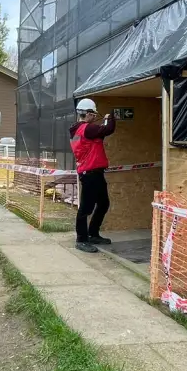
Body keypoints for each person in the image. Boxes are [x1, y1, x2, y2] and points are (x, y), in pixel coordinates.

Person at [69, 98, 116, 254]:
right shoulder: (86, 129)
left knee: (103, 204)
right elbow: (108, 129)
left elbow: (98, 136)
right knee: (85, 208)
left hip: (94, 173)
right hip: (90, 174)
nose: (95, 117)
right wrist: (111, 117)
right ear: (87, 114)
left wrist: (102, 124)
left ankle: (93, 234)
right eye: (94, 114)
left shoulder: (78, 130)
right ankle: (81, 240)